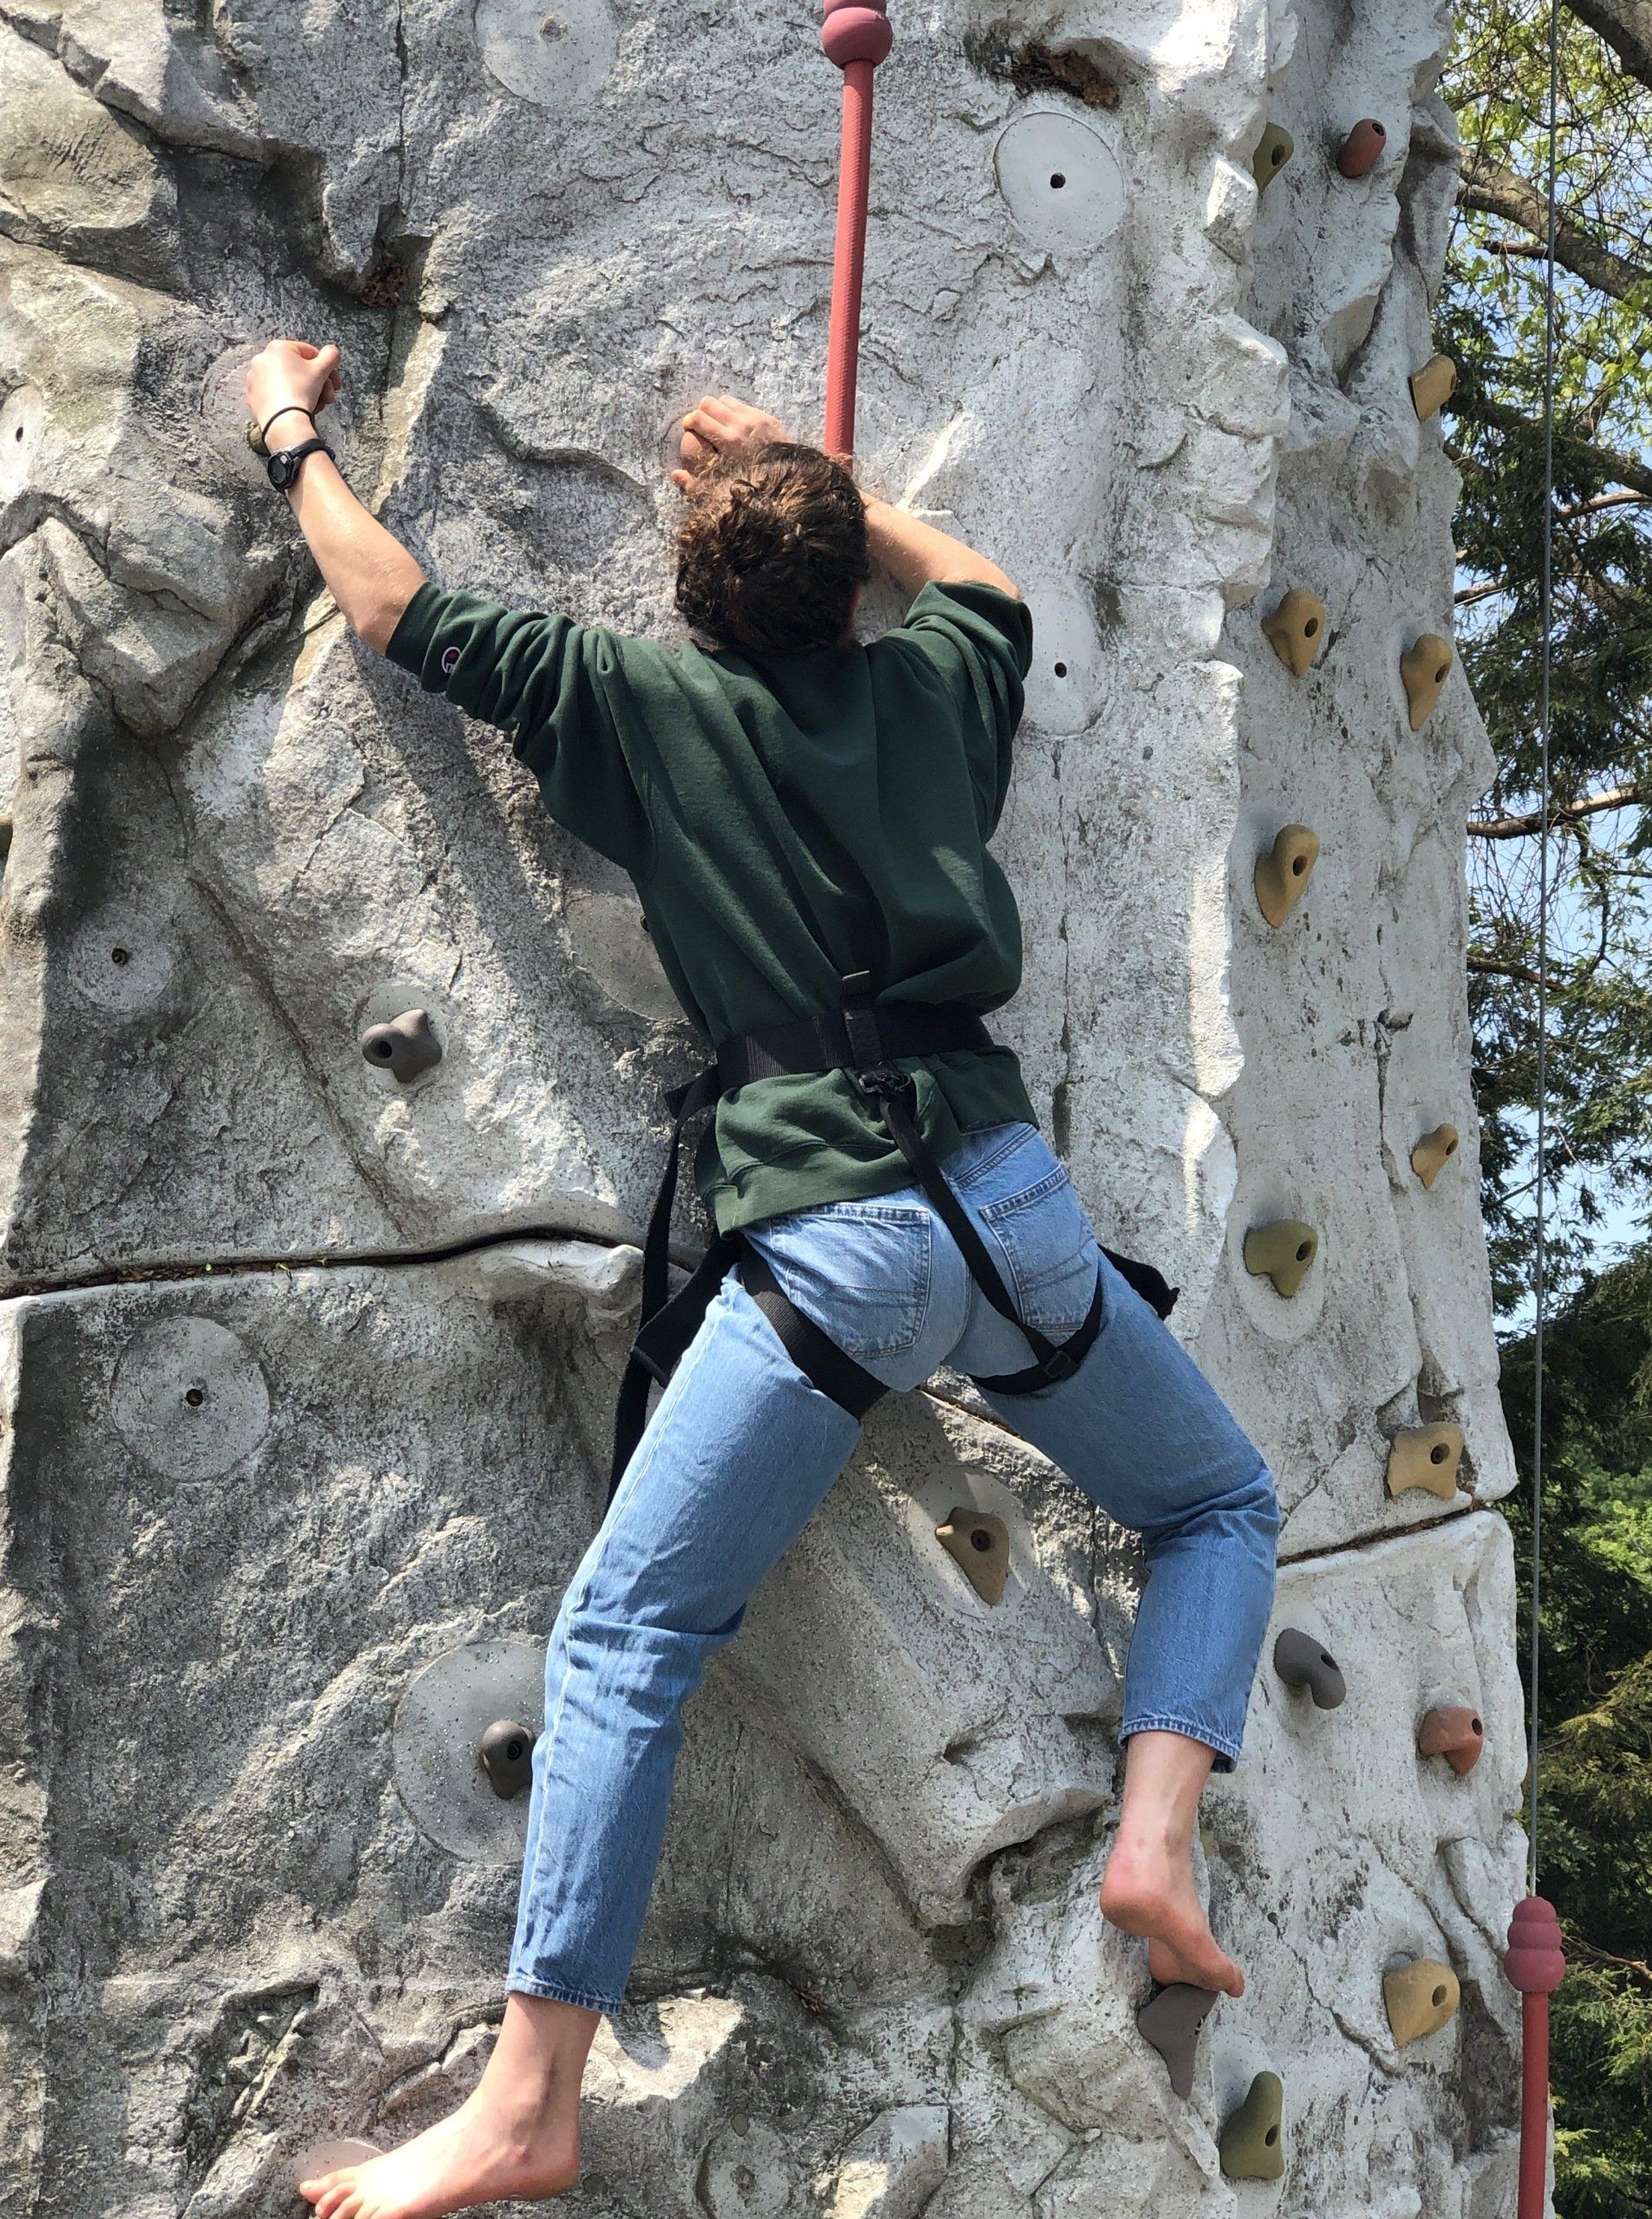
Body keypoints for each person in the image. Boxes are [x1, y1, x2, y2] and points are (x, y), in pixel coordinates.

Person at [244, 341, 1282, 2219]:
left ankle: (530, 2096)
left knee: (631, 1643)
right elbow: (980, 582)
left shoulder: (639, 701)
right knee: (1219, 1499)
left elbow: (386, 597)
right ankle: (1152, 1839)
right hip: (1008, 1206)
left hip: (835, 1243)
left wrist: (286, 424)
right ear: (843, 584)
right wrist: (817, 474)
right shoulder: (941, 688)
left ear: (688, 591)